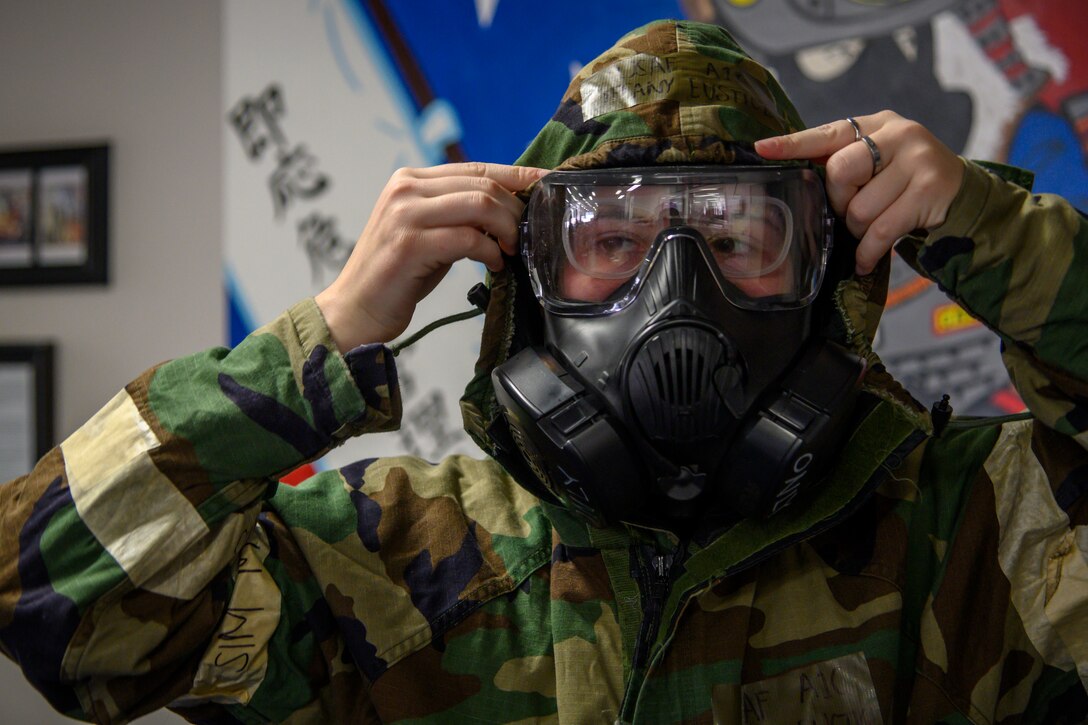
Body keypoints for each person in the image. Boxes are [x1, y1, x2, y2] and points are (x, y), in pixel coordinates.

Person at [2, 18, 1086, 724]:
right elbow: (48, 597)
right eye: (611, 239)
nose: (675, 289)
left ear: (822, 273)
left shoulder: (980, 529)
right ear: (527, 278)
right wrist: (330, 333)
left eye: (734, 235)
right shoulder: (386, 560)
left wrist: (997, 233)